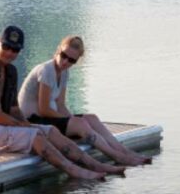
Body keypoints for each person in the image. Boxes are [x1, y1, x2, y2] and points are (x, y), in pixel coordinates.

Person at [0, 26, 125, 180]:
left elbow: (14, 109)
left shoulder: (10, 71)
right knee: (36, 135)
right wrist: (25, 126)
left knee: (51, 131)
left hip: (0, 126)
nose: (10, 53)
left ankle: (96, 165)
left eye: (15, 49)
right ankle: (74, 171)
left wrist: (25, 123)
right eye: (6, 46)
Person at [19, 35, 151, 166]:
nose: (65, 62)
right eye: (63, 55)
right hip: (32, 121)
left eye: (71, 60)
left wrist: (73, 120)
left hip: (47, 118)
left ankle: (124, 151)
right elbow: (44, 110)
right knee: (79, 123)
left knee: (91, 118)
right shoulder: (46, 70)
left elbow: (60, 105)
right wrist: (73, 122)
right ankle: (117, 156)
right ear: (58, 50)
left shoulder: (64, 72)